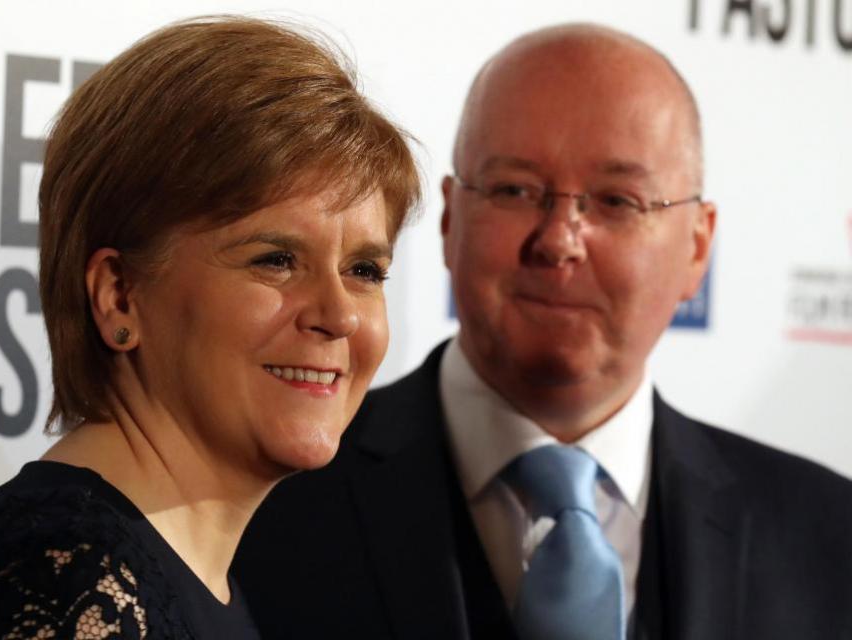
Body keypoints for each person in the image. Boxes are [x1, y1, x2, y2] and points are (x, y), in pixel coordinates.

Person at [233, 23, 852, 639]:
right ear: (450, 220)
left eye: (616, 200)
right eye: (515, 190)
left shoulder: (828, 532)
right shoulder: (257, 498)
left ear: (698, 247)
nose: (559, 241)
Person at [0, 16, 419, 640]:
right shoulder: (73, 586)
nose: (339, 315)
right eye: (275, 260)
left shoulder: (165, 571)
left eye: (364, 269)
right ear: (120, 296)